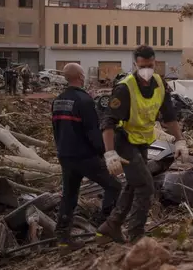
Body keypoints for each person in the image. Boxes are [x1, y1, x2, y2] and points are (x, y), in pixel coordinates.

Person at [96, 45, 190, 243]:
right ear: (135, 65)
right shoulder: (124, 88)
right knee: (146, 186)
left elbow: (169, 115)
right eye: (142, 66)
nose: (147, 70)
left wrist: (180, 140)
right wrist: (110, 153)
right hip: (123, 141)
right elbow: (107, 122)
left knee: (133, 184)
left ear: (155, 62)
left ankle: (111, 225)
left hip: (142, 142)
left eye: (150, 65)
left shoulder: (159, 83)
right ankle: (136, 234)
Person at [52, 63, 121, 253]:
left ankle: (63, 239)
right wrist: (106, 154)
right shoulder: (84, 100)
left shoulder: (58, 100)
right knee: (115, 186)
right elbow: (93, 133)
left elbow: (55, 130)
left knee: (69, 195)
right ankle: (105, 226)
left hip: (65, 155)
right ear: (81, 77)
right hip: (84, 157)